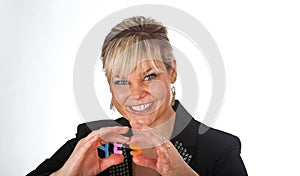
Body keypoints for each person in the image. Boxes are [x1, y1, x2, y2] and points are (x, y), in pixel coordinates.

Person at [27, 16, 248, 176]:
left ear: (172, 72)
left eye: (149, 76)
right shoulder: (93, 142)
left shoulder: (218, 148)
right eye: (122, 81)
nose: (136, 93)